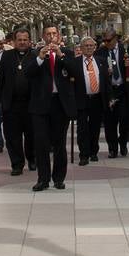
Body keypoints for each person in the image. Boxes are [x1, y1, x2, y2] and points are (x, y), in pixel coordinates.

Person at [31, 24, 77, 191]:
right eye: (48, 34)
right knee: (41, 143)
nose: (51, 37)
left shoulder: (68, 54)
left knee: (59, 143)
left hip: (60, 104)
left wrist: (61, 56)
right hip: (41, 105)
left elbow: (75, 72)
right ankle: (43, 179)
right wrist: (40, 58)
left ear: (58, 36)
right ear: (43, 36)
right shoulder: (35, 54)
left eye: (53, 34)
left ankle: (59, 178)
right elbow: (28, 73)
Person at [0, 28, 37, 176]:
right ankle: (17, 164)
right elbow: (0, 79)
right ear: (14, 41)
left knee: (32, 135)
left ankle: (32, 159)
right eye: (19, 40)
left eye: (25, 39)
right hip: (11, 104)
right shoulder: (7, 55)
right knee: (12, 136)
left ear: (29, 41)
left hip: (31, 104)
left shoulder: (35, 55)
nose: (22, 42)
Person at [71, 36, 108, 165]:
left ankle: (93, 152)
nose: (88, 48)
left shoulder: (101, 61)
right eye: (86, 46)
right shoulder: (75, 62)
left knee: (95, 127)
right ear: (81, 48)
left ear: (95, 47)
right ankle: (83, 154)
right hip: (81, 99)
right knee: (82, 128)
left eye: (91, 45)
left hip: (97, 99)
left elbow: (106, 82)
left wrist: (109, 98)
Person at [98, 29, 129, 157]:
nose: (106, 43)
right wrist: (105, 72)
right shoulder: (101, 52)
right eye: (104, 40)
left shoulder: (126, 50)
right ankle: (112, 148)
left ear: (115, 39)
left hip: (122, 89)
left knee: (124, 119)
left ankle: (123, 144)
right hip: (109, 90)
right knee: (110, 122)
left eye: (109, 40)